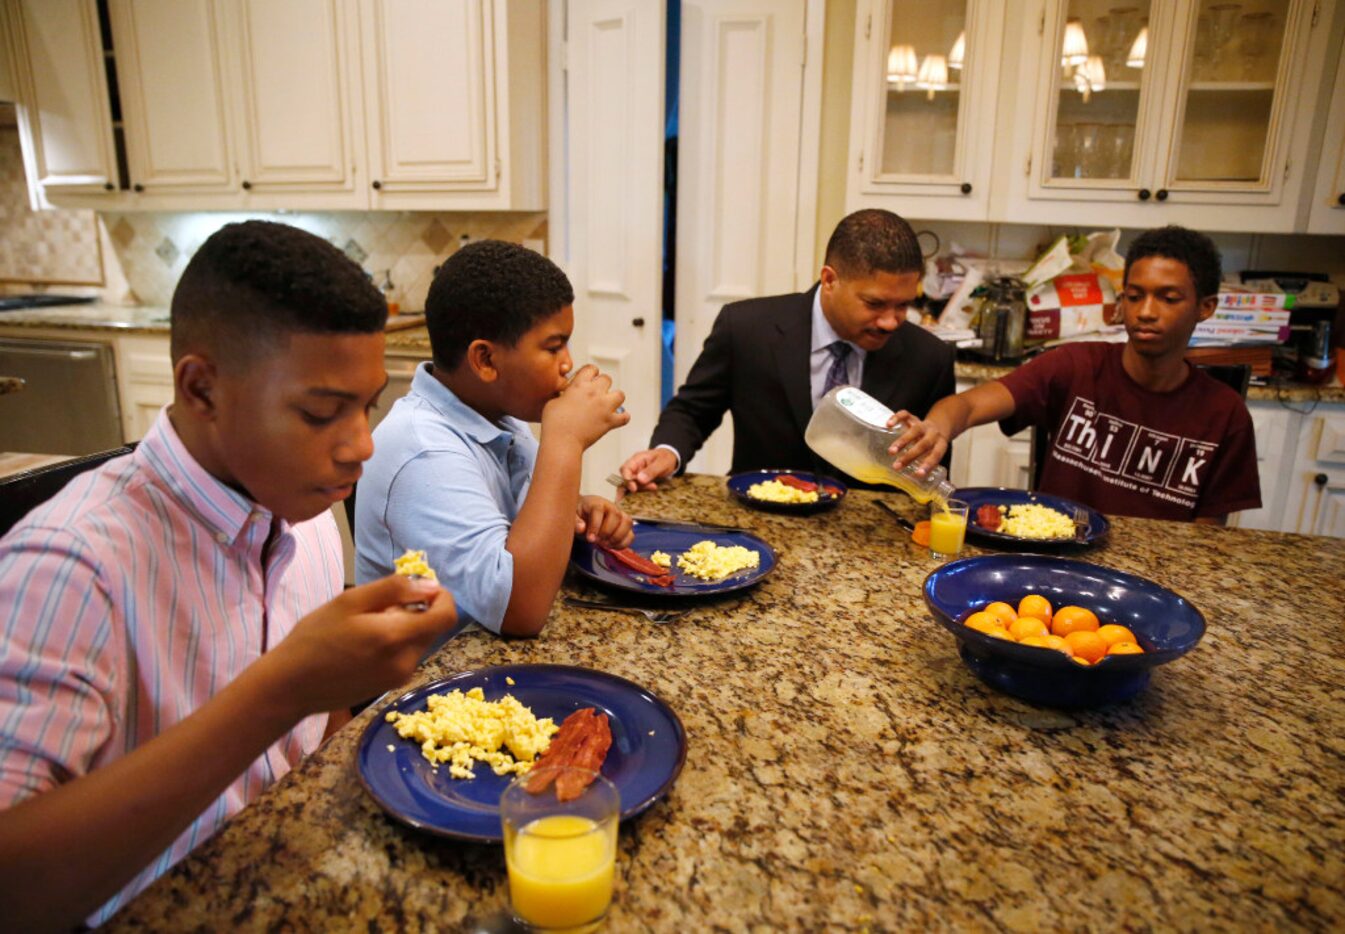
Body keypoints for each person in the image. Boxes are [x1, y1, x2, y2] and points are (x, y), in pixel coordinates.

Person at [0, 221, 459, 930]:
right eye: (319, 412)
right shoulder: (71, 564)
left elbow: (317, 737)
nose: (360, 446)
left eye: (367, 407)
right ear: (201, 387)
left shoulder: (300, 509)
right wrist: (281, 690)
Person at [890, 225, 1261, 524]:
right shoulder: (1075, 366)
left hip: (1156, 575)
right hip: (1059, 556)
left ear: (1206, 307)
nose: (1146, 311)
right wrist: (937, 426)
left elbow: (1209, 540)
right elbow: (968, 405)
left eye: (1168, 298)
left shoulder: (1225, 415)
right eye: (1135, 296)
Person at [355, 239, 632, 638]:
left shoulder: (496, 413)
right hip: (427, 680)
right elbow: (519, 611)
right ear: (485, 360)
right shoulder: (422, 450)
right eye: (553, 347)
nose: (568, 362)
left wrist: (576, 510)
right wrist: (566, 441)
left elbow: (520, 520)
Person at [619, 208, 955, 491]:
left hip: (871, 540)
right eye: (874, 304)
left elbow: (932, 468)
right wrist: (667, 452)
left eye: (904, 305)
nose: (891, 322)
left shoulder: (930, 358)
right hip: (759, 522)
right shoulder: (746, 329)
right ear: (829, 279)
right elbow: (693, 411)